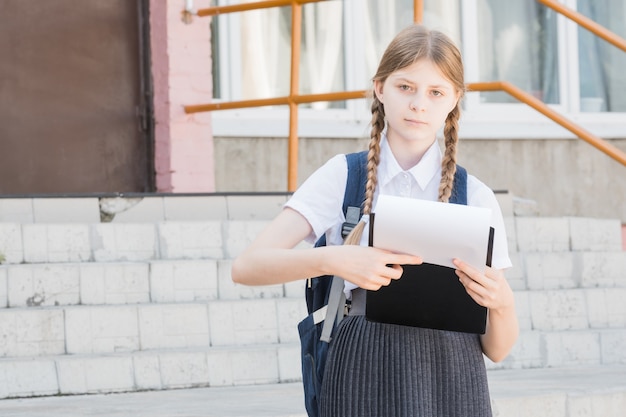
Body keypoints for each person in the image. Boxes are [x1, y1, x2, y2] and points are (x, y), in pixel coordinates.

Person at [232, 24, 518, 417]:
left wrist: (502, 304)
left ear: (454, 100)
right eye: (405, 87)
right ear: (380, 88)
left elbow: (498, 350)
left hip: (452, 381)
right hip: (360, 371)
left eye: (436, 92)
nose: (419, 103)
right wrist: (335, 259)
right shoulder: (343, 176)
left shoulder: (477, 198)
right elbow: (247, 266)